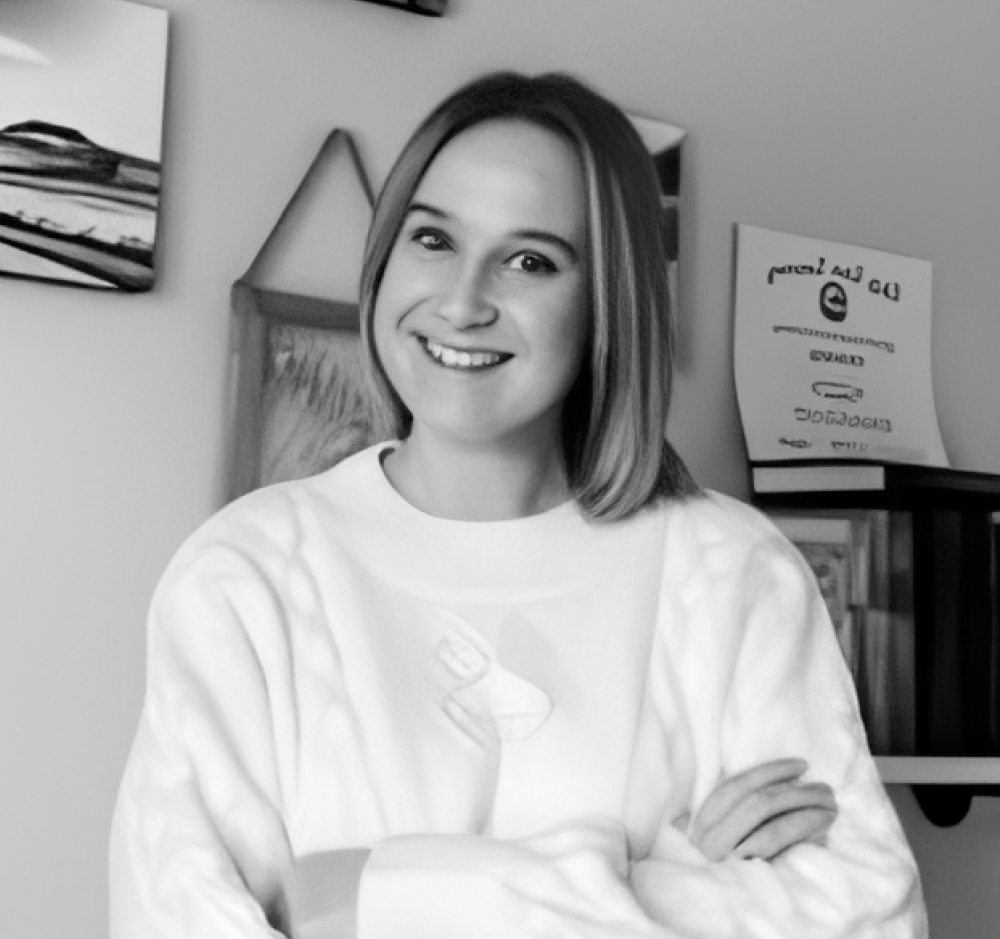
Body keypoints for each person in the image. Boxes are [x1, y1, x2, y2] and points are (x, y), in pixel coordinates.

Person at [109, 71, 927, 938]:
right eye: (433, 239)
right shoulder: (245, 576)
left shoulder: (734, 574)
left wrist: (366, 901)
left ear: (606, 301)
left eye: (530, 260)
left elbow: (873, 921)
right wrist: (671, 889)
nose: (463, 303)